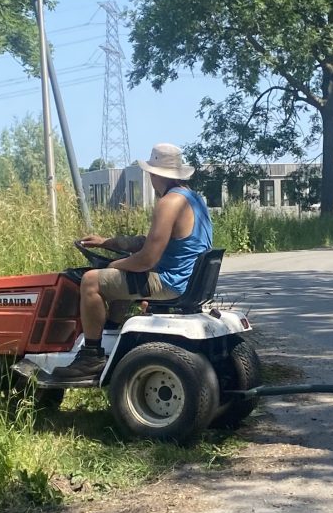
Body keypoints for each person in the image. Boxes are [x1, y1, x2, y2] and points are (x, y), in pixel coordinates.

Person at [52, 143, 213, 380]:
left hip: (171, 282)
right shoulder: (194, 199)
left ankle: (91, 357)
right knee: (119, 276)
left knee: (90, 281)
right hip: (187, 280)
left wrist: (111, 265)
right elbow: (146, 242)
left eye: (150, 174)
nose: (150, 179)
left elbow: (147, 259)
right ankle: (111, 332)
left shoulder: (168, 203)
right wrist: (106, 242)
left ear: (157, 175)